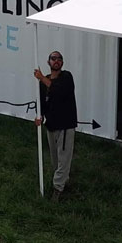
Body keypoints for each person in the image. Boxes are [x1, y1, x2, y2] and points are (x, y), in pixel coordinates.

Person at [33, 50, 77, 201]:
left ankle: (57, 190)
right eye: (53, 58)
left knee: (64, 158)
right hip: (51, 125)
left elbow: (59, 91)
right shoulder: (43, 81)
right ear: (48, 62)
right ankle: (64, 182)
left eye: (59, 59)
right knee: (56, 160)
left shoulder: (67, 77)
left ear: (62, 63)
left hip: (65, 125)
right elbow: (43, 105)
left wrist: (41, 78)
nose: (56, 60)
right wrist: (40, 117)